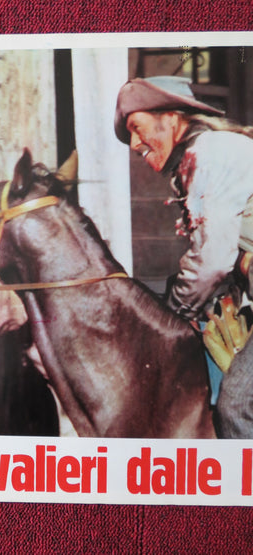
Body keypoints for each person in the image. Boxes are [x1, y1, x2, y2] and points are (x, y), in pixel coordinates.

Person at [114, 75, 253, 438]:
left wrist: (173, 313)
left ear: (172, 119)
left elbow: (211, 261)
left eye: (136, 127)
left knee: (238, 405)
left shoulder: (207, 155)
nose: (133, 143)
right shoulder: (198, 159)